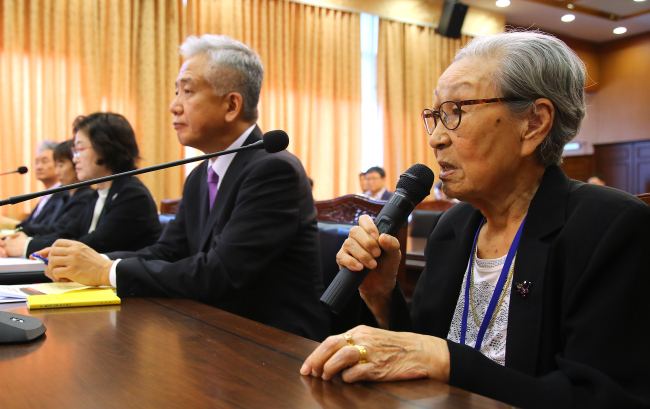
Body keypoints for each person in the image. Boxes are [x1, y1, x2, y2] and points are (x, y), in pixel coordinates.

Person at [300, 30, 650, 408]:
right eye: (435, 116)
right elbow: (417, 353)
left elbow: (599, 397)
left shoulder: (611, 228)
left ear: (534, 122)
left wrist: (443, 359)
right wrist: (382, 296)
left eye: (457, 112)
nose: (435, 138)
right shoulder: (452, 228)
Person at [33, 34, 328, 341]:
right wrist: (93, 260)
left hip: (274, 346)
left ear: (231, 105)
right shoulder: (200, 176)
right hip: (213, 332)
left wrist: (106, 272)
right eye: (176, 91)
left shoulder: (273, 169)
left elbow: (221, 273)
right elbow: (169, 251)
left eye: (187, 91)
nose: (174, 106)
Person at [0, 113, 162, 257]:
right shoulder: (97, 194)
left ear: (105, 149)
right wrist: (20, 240)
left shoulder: (131, 194)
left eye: (79, 150)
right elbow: (67, 232)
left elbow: (93, 246)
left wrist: (27, 246)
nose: (75, 159)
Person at [18, 140, 95, 237]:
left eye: (61, 165)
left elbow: (61, 231)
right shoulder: (67, 196)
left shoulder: (86, 196)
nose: (57, 172)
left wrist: (26, 243)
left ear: (76, 165)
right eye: (56, 166)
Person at [0, 141, 65, 231]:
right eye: (36, 162)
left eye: (44, 161)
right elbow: (31, 225)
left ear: (59, 164)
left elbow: (49, 229)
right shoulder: (46, 195)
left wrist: (10, 224)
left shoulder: (64, 195)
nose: (39, 167)